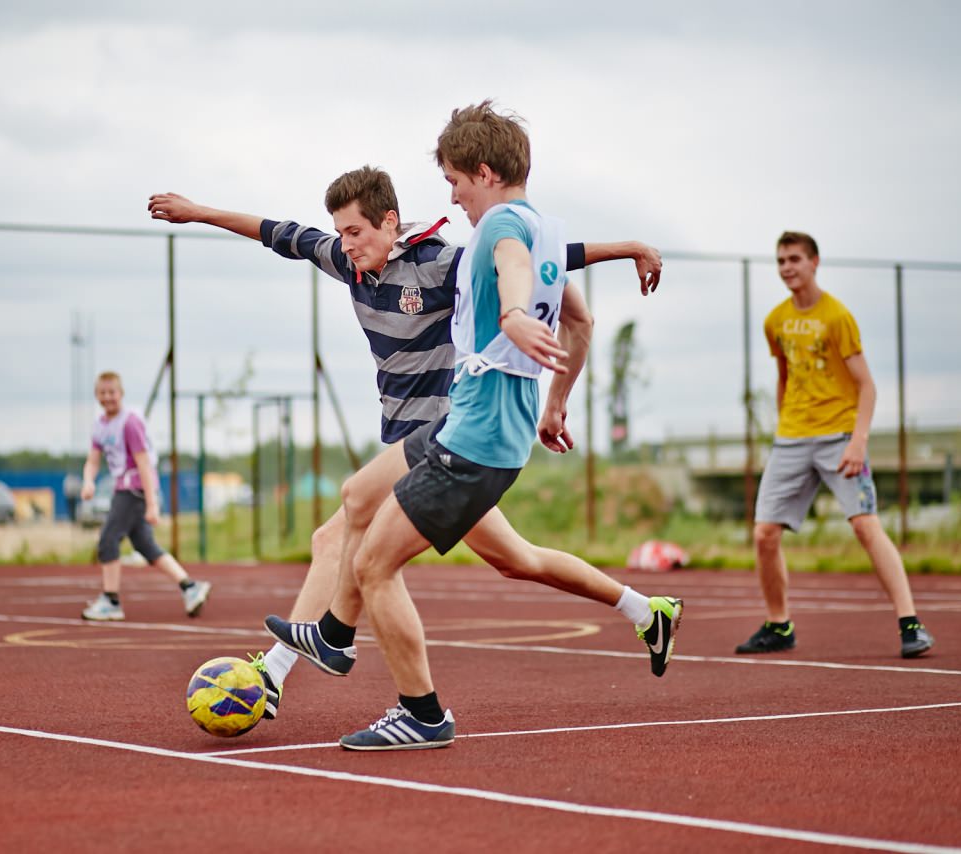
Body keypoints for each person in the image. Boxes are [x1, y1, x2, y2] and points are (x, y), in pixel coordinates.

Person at [149, 165, 680, 733]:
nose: (346, 244)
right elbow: (274, 231)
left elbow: (530, 258)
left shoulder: (439, 264)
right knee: (515, 560)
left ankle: (283, 670)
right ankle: (645, 610)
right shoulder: (347, 263)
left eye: (356, 232)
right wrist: (198, 212)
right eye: (341, 233)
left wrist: (626, 248)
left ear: (390, 222)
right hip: (411, 444)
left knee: (343, 537)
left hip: (449, 437)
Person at [267, 100, 681, 750]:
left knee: (370, 560)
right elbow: (581, 319)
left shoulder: (498, 231)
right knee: (381, 510)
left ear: (484, 173)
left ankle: (411, 707)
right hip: (479, 429)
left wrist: (512, 312)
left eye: (455, 181)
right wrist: (555, 403)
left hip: (473, 434)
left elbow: (510, 264)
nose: (452, 196)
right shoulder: (542, 230)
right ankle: (334, 637)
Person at [735, 232, 934, 659]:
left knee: (865, 525)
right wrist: (783, 426)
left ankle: (911, 623)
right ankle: (778, 625)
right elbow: (785, 376)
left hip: (839, 436)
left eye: (794, 259)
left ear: (814, 262)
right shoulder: (775, 320)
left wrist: (858, 442)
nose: (787, 267)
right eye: (781, 261)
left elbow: (867, 385)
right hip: (791, 438)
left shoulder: (837, 316)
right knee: (764, 534)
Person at [79, 371, 211, 622]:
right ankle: (190, 586)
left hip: (134, 489)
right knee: (144, 545)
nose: (108, 397)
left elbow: (144, 463)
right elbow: (93, 460)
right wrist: (88, 481)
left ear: (121, 393)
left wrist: (152, 503)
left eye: (112, 392)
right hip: (123, 487)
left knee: (108, 539)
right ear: (97, 395)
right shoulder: (100, 425)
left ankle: (111, 601)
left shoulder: (130, 423)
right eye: (103, 393)